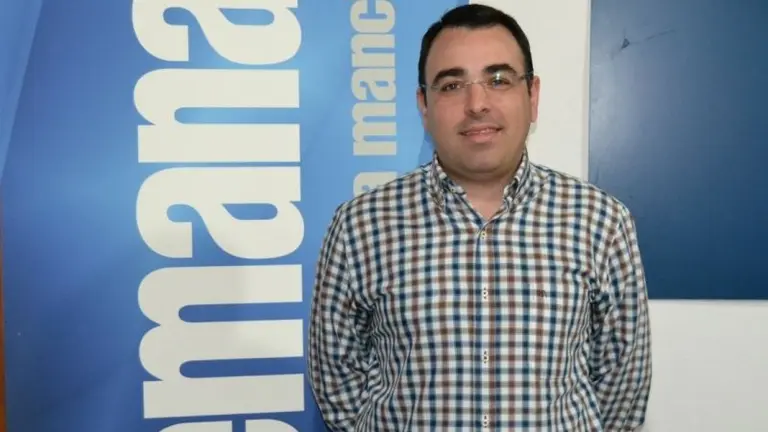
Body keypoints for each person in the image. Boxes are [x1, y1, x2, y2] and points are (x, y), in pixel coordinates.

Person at [308, 4, 652, 431]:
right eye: (452, 85)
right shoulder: (360, 226)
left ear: (532, 96)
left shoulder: (601, 222)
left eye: (499, 80)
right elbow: (336, 381)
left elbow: (622, 386)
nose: (477, 104)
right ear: (424, 104)